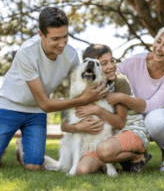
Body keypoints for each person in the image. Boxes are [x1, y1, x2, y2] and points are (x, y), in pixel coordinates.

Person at [0, 7, 108, 171]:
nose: (62, 44)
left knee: (34, 166)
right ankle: (1, 146)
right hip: (10, 105)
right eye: (55, 39)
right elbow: (46, 104)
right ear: (41, 34)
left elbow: (80, 86)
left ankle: (21, 147)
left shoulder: (71, 55)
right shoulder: (26, 53)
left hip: (35, 112)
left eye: (65, 37)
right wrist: (83, 100)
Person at [105, 24, 164, 172]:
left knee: (155, 119)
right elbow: (110, 77)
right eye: (158, 41)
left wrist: (120, 96)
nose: (158, 48)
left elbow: (154, 105)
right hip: (135, 119)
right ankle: (137, 155)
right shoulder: (134, 62)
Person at [58, 44, 151, 175]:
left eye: (112, 61)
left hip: (132, 132)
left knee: (104, 151)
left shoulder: (120, 81)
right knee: (82, 170)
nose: (111, 66)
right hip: (108, 140)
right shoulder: (86, 89)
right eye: (103, 63)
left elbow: (120, 123)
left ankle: (137, 156)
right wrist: (79, 127)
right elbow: (64, 126)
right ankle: (110, 159)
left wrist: (96, 110)